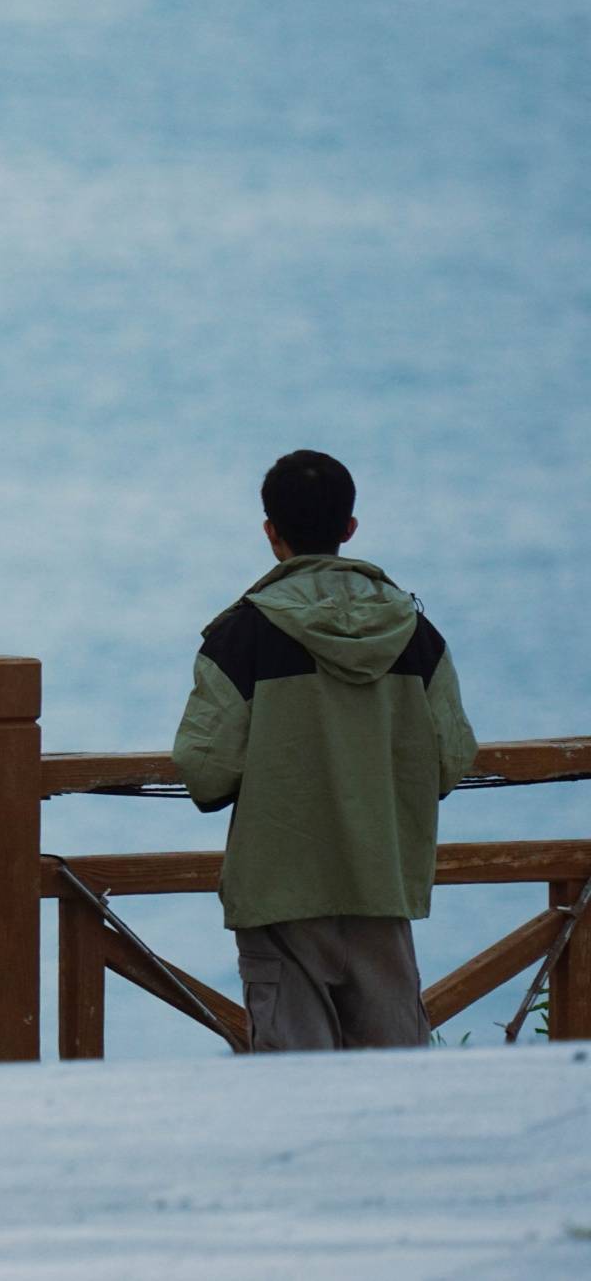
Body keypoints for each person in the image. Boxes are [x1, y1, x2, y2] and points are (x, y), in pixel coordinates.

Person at [173, 450, 477, 1052]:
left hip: (280, 896)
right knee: (396, 1081)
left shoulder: (243, 636)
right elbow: (452, 756)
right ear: (349, 529)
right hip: (382, 884)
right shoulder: (415, 633)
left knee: (295, 1096)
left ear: (271, 533)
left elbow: (205, 770)